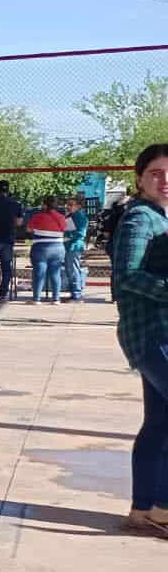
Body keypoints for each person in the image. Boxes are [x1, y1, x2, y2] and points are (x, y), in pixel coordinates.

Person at [110, 144, 168, 534]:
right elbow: (126, 276)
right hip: (150, 335)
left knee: (158, 422)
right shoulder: (140, 220)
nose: (164, 181)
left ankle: (144, 509)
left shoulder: (159, 217)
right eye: (156, 173)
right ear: (140, 178)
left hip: (157, 333)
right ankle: (161, 505)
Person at [27, 195, 73, 305]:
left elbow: (28, 229)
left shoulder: (38, 216)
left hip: (41, 248)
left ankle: (36, 299)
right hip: (58, 248)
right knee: (55, 273)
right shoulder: (62, 217)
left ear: (44, 204)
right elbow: (68, 229)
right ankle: (56, 299)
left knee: (39, 273)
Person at [63, 194, 90, 302]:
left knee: (73, 270)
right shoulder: (72, 216)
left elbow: (80, 233)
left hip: (74, 246)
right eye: (67, 204)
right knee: (71, 270)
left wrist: (66, 234)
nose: (67, 206)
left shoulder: (79, 216)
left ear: (78, 206)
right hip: (70, 245)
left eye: (70, 204)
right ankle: (75, 293)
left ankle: (77, 295)